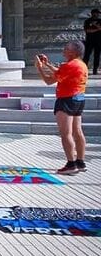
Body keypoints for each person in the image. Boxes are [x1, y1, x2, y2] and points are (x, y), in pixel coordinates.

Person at [34, 40, 88, 175]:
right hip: (79, 99)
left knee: (66, 134)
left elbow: (49, 81)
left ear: (73, 52)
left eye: (66, 48)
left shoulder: (69, 65)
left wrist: (39, 68)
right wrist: (47, 64)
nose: (63, 50)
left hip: (66, 100)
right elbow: (61, 73)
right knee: (78, 132)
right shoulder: (81, 64)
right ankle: (80, 162)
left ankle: (71, 164)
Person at [83, 9, 101, 75]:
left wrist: (95, 25)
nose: (98, 14)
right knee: (86, 55)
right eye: (96, 13)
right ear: (93, 13)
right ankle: (84, 69)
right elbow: (87, 30)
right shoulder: (87, 21)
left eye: (98, 13)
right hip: (89, 41)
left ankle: (95, 70)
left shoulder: (100, 21)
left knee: (97, 56)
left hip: (98, 41)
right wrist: (97, 29)